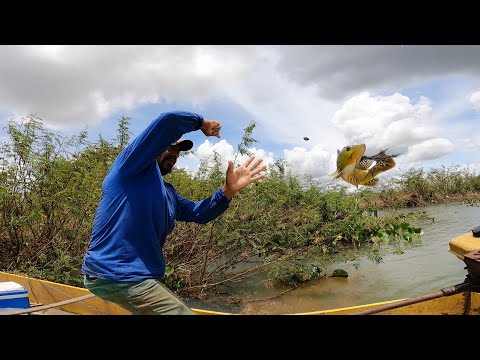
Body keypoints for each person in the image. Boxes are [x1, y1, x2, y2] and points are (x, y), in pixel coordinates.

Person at [81, 110, 267, 315]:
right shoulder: (130, 167)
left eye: (180, 150)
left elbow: (199, 213)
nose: (176, 153)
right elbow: (169, 121)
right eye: (171, 146)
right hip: (115, 275)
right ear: (157, 146)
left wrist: (228, 190)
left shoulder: (168, 193)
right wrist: (202, 124)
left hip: (138, 278)